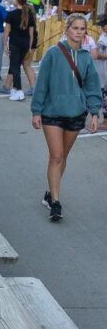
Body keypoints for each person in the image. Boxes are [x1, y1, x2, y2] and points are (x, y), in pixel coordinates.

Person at [31, 14, 102, 221]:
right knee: (56, 156)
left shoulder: (87, 57)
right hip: (52, 113)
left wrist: (95, 112)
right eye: (75, 28)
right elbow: (41, 84)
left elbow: (92, 87)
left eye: (82, 29)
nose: (79, 32)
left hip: (75, 113)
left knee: (63, 157)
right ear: (67, 29)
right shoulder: (53, 53)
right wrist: (36, 111)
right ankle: (55, 202)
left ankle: (50, 191)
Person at [2, 0, 35, 102]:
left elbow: (6, 31)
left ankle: (19, 90)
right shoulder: (29, 14)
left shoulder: (11, 14)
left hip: (15, 43)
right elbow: (31, 33)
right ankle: (15, 89)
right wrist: (30, 47)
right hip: (25, 43)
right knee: (16, 66)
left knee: (14, 66)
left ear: (18, 1)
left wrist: (5, 44)